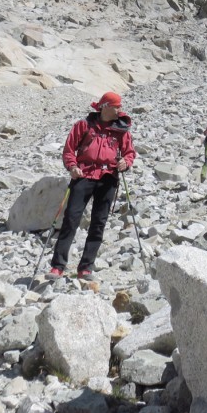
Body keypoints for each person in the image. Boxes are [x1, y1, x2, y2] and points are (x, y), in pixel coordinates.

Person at [47, 91, 136, 281]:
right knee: (71, 219)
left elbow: (129, 153)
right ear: (105, 107)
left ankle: (86, 267)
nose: (120, 109)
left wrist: (125, 163)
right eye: (117, 106)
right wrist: (72, 166)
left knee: (99, 222)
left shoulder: (121, 129)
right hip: (83, 175)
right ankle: (57, 266)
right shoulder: (83, 126)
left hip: (108, 178)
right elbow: (69, 150)